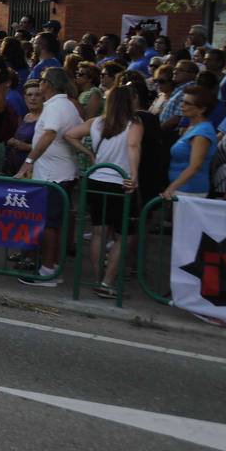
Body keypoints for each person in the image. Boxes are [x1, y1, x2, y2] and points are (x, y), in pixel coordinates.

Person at [64, 86, 141, 299]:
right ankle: (107, 281)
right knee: (122, 235)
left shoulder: (97, 122)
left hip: (97, 180)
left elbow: (70, 134)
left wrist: (89, 153)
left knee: (98, 233)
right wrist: (134, 176)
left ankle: (99, 278)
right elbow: (133, 146)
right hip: (121, 181)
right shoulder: (133, 124)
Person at [14, 67, 82, 286]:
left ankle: (48, 270)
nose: (39, 84)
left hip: (55, 175)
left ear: (48, 84)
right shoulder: (67, 105)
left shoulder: (55, 107)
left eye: (42, 80)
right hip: (60, 172)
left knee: (50, 225)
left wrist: (29, 161)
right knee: (54, 223)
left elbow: (50, 134)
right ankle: (51, 267)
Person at [163, 86, 218, 199]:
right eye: (183, 101)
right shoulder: (193, 127)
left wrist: (171, 188)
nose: (182, 106)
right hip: (182, 189)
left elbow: (195, 166)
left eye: (188, 103)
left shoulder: (202, 132)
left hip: (190, 191)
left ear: (202, 109)